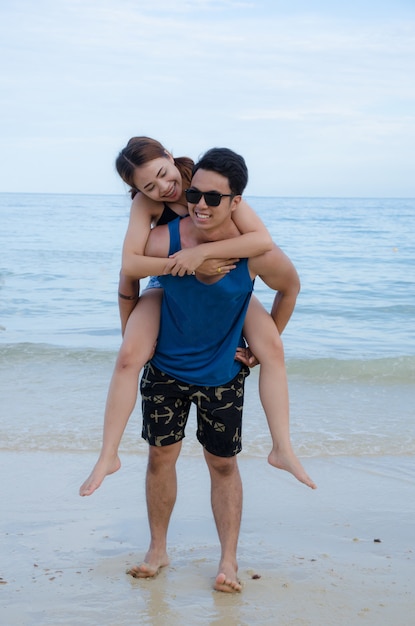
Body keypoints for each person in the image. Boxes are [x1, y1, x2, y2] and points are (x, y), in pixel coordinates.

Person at [79, 137, 315, 498]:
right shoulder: (146, 205)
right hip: (168, 279)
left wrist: (203, 254)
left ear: (170, 157)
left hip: (225, 279)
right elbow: (131, 265)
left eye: (162, 174)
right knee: (129, 357)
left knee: (272, 349)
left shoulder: (207, 183)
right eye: (148, 186)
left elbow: (261, 240)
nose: (163, 188)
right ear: (137, 190)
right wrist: (184, 266)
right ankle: (108, 455)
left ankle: (282, 447)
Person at [126, 147, 310, 592]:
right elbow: (129, 271)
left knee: (223, 465)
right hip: (167, 365)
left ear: (235, 203)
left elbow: (290, 286)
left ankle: (228, 561)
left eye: (214, 198)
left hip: (222, 373)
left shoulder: (254, 251)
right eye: (194, 194)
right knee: (159, 458)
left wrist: (254, 351)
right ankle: (158, 549)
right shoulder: (164, 235)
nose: (200, 204)